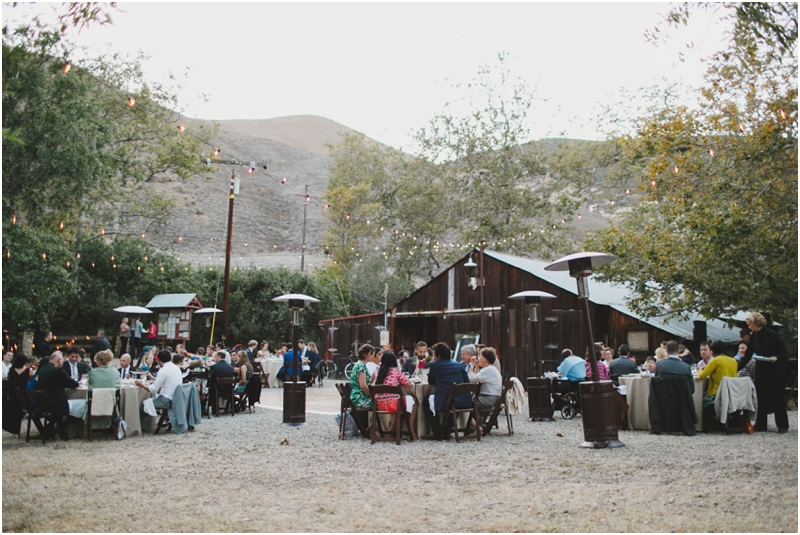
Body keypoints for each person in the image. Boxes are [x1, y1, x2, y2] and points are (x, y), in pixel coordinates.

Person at [745, 312, 789, 433]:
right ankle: (761, 424)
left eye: (750, 324)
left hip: (775, 370)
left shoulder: (773, 335)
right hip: (761, 369)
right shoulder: (754, 337)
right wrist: (736, 367)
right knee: (761, 397)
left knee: (778, 397)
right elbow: (748, 355)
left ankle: (782, 425)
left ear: (755, 323)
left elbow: (783, 352)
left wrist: (777, 358)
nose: (749, 327)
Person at [423, 342, 471, 440]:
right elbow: (467, 382)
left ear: (438, 355)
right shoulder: (458, 365)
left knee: (425, 401)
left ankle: (437, 431)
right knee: (455, 400)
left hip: (446, 400)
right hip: (463, 400)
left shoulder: (435, 365)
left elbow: (431, 381)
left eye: (433, 354)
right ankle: (447, 429)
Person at [371, 350, 418, 440]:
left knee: (398, 402)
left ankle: (389, 430)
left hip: (378, 404)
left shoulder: (378, 371)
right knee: (413, 401)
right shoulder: (396, 371)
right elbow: (409, 385)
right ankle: (410, 431)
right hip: (393, 405)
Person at [36, 352, 79, 440]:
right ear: (59, 360)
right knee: (79, 406)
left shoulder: (42, 369)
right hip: (56, 403)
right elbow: (73, 384)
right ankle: (61, 428)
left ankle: (53, 428)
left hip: (43, 402)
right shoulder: (58, 370)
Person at [697, 340, 738, 431]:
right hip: (732, 393)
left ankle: (706, 426)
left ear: (712, 350)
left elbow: (701, 375)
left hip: (717, 393)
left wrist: (701, 369)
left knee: (701, 402)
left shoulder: (715, 361)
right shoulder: (733, 361)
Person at [468, 347, 502, 425]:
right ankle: (475, 426)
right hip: (492, 398)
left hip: (487, 399)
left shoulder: (488, 370)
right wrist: (476, 367)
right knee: (466, 402)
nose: (478, 359)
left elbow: (471, 379)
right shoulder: (490, 369)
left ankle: (475, 427)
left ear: (485, 359)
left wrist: (472, 365)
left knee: (463, 404)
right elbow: (477, 379)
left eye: (480, 356)